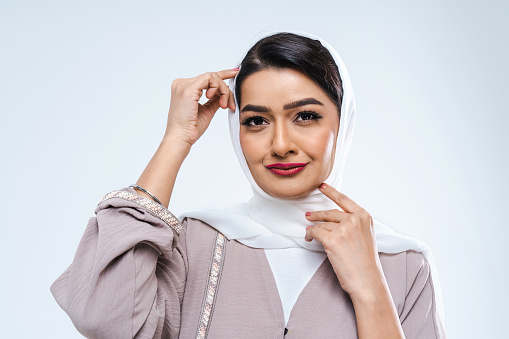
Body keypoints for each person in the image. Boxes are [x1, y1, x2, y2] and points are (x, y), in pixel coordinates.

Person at [51, 31, 447, 338]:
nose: (280, 145)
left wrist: (371, 290)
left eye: (305, 116)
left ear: (344, 124)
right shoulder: (194, 245)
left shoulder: (401, 264)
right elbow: (106, 320)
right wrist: (176, 139)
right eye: (256, 121)